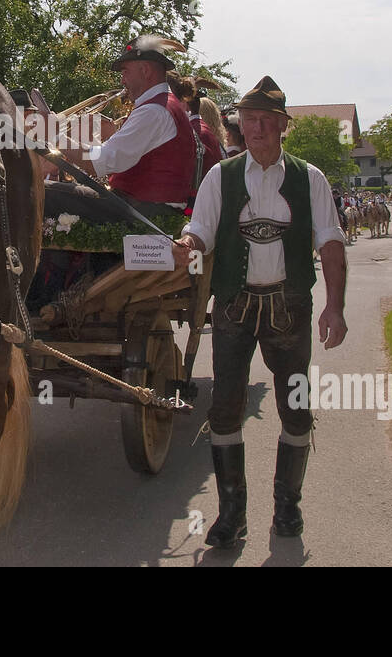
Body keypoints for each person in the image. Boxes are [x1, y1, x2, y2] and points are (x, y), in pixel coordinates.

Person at [171, 75, 347, 544]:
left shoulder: (310, 178)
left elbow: (330, 244)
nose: (256, 129)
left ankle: (287, 508)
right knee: (225, 410)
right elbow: (201, 232)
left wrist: (335, 307)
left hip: (289, 305)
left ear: (282, 126)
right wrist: (186, 242)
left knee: (295, 406)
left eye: (266, 121)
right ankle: (232, 514)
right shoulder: (220, 176)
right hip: (234, 304)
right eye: (249, 121)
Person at [43, 36, 194, 223]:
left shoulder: (153, 111)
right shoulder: (163, 106)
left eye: (125, 72)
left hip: (142, 211)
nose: (122, 80)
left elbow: (99, 162)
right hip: (145, 207)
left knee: (42, 191)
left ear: (145, 70)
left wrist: (54, 135)